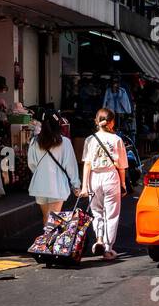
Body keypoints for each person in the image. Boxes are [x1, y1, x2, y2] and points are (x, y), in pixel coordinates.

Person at [80, 108, 129, 260]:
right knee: (112, 214)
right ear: (112, 122)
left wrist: (84, 186)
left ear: (97, 121)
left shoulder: (90, 139)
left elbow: (87, 164)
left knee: (97, 212)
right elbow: (121, 166)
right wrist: (123, 184)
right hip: (110, 177)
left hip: (94, 177)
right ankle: (107, 248)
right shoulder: (117, 140)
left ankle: (99, 239)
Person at [27, 112, 80, 223]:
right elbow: (71, 165)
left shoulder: (34, 142)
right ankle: (50, 240)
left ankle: (47, 239)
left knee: (47, 218)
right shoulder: (64, 142)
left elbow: (31, 164)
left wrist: (41, 171)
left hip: (40, 185)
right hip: (57, 185)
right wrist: (76, 184)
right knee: (53, 219)